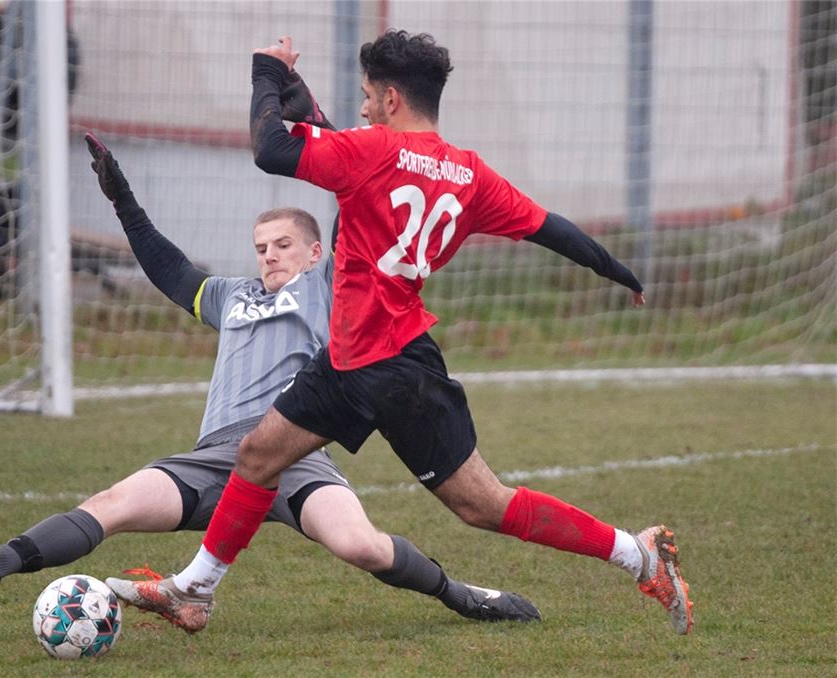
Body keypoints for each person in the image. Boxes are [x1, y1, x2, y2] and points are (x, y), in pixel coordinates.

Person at [133, 31, 693, 637]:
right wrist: (618, 270)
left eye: (370, 97)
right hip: (355, 359)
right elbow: (551, 228)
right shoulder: (468, 172)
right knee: (257, 454)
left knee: (482, 504)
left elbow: (271, 149)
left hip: (393, 369)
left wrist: (265, 71)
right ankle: (195, 588)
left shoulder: (370, 150)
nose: (366, 107)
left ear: (393, 98)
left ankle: (637, 554)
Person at [0, 126, 542, 634]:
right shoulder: (230, 295)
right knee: (112, 504)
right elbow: (170, 271)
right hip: (218, 456)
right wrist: (123, 202)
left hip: (297, 452)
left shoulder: (334, 290)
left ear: (316, 253)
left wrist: (320, 127)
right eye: (260, 247)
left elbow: (366, 209)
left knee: (361, 546)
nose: (269, 255)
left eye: (283, 245)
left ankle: (463, 595)